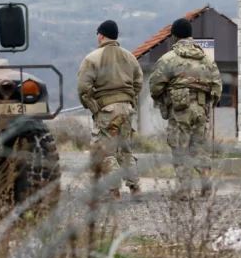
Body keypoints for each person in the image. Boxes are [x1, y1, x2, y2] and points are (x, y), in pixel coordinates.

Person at [149, 18, 222, 201]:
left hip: (179, 110)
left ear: (174, 36)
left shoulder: (168, 59)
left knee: (180, 149)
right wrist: (207, 104)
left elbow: (155, 87)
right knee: (199, 148)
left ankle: (185, 191)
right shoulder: (207, 60)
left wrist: (164, 99)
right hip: (201, 109)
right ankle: (206, 186)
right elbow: (217, 87)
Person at [77, 20, 143, 200]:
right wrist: (129, 100)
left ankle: (114, 191)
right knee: (125, 149)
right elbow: (138, 82)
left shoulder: (93, 58)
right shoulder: (130, 57)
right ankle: (135, 188)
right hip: (127, 109)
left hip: (107, 110)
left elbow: (83, 88)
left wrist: (94, 107)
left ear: (101, 35)